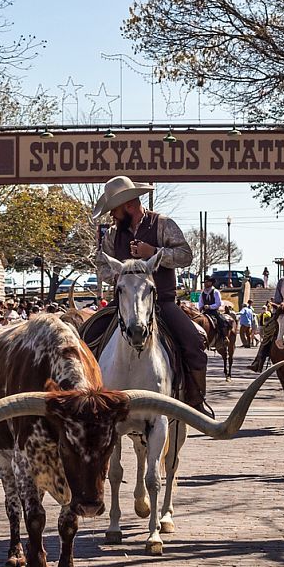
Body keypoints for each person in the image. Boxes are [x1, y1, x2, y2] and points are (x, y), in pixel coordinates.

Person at [89, 175, 209, 415]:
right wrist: (125, 272)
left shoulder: (163, 224)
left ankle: (196, 400)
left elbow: (186, 255)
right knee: (86, 338)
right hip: (121, 304)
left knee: (193, 343)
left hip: (161, 301)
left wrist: (153, 252)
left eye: (115, 210)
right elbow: (102, 267)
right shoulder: (113, 235)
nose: (112, 215)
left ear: (129, 205)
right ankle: (88, 399)